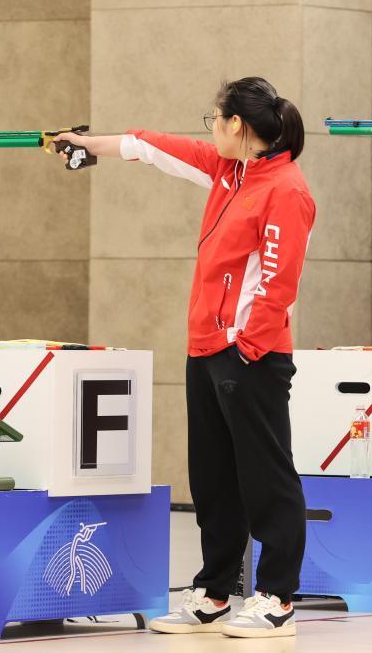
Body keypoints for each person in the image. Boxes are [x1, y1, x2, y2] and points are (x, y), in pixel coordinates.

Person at [54, 76, 313, 638]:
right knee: (213, 479)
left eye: (214, 119)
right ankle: (214, 592)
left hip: (251, 355)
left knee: (267, 478)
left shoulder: (286, 189)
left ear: (237, 125)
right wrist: (87, 142)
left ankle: (277, 598)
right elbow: (154, 146)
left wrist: (247, 346)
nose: (210, 130)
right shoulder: (228, 170)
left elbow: (279, 282)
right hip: (206, 350)